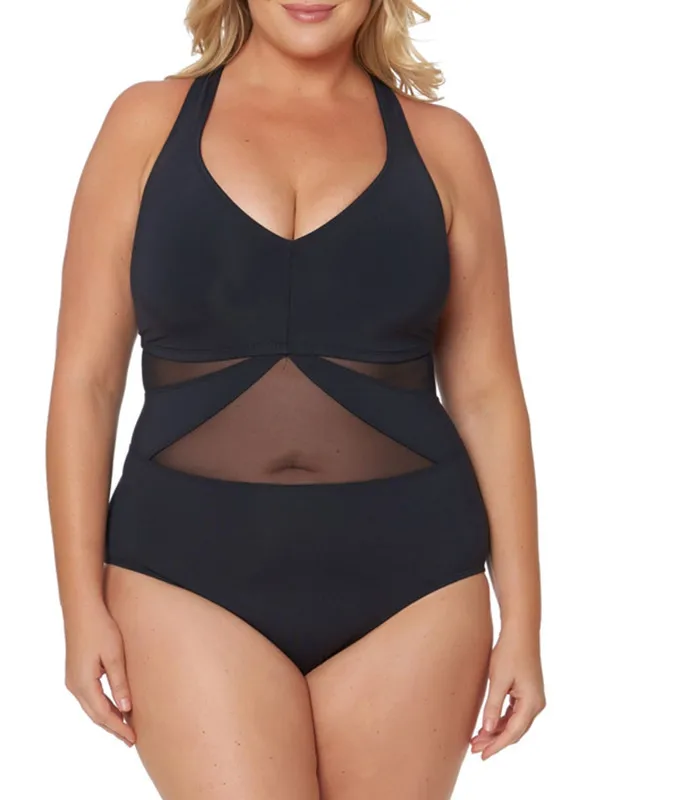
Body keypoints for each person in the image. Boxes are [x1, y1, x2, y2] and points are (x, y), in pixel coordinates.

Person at [46, 1, 545, 797]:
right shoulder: (145, 124)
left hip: (416, 586)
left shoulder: (445, 145)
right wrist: (78, 606)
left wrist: (525, 619)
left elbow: (487, 392)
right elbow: (86, 381)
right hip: (183, 575)